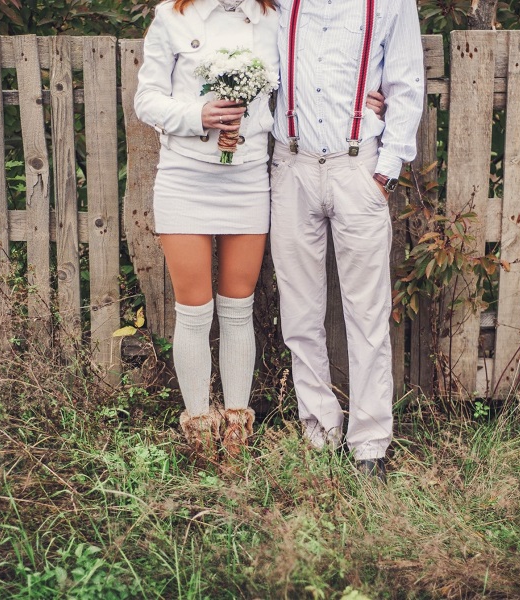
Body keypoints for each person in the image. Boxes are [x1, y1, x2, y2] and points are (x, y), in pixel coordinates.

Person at [134, 0, 387, 464]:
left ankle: (235, 432)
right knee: (194, 311)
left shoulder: (275, 17)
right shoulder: (172, 15)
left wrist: (367, 95)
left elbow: (310, 75)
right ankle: (198, 434)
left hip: (248, 177)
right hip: (186, 176)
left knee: (237, 309)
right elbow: (146, 99)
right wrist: (199, 115)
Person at [270, 0, 425, 480]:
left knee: (367, 313)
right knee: (299, 312)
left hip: (357, 167)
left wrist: (386, 171)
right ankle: (319, 432)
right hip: (291, 164)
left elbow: (405, 80)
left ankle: (370, 445)